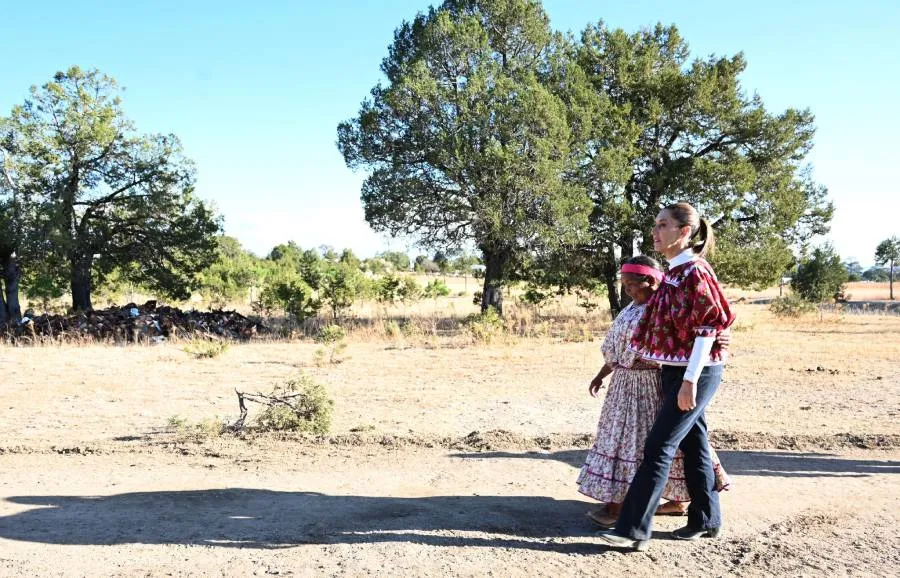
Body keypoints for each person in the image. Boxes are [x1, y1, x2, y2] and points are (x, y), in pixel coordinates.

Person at [597, 202, 735, 552]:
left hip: (696, 373)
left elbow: (708, 328)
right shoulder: (674, 273)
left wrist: (689, 380)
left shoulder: (695, 273)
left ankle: (632, 529)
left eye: (663, 225)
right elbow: (666, 324)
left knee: (659, 446)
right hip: (678, 370)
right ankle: (706, 520)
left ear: (684, 232)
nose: (655, 232)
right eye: (655, 225)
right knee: (694, 444)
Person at [576, 256, 730, 528]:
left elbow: (697, 329)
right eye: (624, 284)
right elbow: (617, 348)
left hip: (650, 386)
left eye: (633, 284)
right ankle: (645, 502)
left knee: (642, 444)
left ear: (652, 281)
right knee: (637, 442)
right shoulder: (631, 309)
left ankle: (625, 506)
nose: (627, 290)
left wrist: (717, 336)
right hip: (624, 385)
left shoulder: (661, 309)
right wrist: (601, 374)